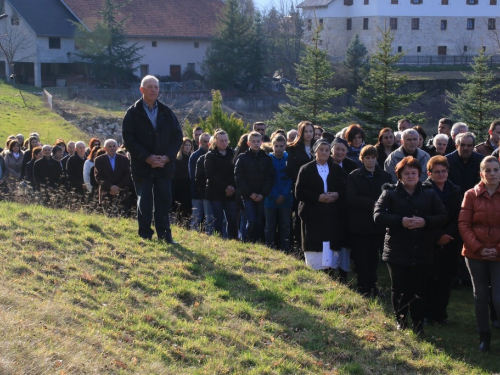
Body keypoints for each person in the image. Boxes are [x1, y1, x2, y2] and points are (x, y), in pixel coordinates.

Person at [374, 156, 447, 335]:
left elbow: (442, 216)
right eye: (407, 173)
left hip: (422, 248)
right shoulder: (389, 193)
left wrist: (425, 222)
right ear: (399, 176)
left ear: (419, 175)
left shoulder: (429, 193)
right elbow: (378, 215)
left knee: (419, 287)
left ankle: (418, 322)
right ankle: (401, 320)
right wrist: (401, 221)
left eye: (414, 173)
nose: (411, 176)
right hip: (397, 249)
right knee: (399, 287)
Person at [122, 75, 183, 243]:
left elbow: (177, 137)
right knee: (145, 202)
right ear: (142, 90)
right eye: (149, 87)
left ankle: (165, 236)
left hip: (164, 167)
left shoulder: (166, 112)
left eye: (156, 87)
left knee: (164, 202)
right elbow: (128, 140)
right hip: (142, 166)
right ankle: (145, 235)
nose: (153, 90)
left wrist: (167, 157)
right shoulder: (133, 113)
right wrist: (147, 157)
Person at [459, 156, 500, 352]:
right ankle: (484, 335)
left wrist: (497, 249)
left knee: (498, 296)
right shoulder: (471, 195)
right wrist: (479, 248)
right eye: (488, 170)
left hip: (498, 253)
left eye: (496, 170)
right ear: (481, 173)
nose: (492, 174)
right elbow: (464, 224)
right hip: (475, 253)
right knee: (480, 295)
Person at [347, 145, 392, 297]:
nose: (371, 160)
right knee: (361, 258)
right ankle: (363, 287)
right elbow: (351, 198)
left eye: (373, 157)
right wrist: (373, 204)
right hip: (360, 225)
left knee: (373, 259)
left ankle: (373, 287)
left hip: (377, 225)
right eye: (367, 158)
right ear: (362, 159)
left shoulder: (385, 176)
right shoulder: (354, 176)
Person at [295, 139, 346, 272]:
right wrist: (318, 198)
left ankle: (330, 271)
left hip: (332, 215)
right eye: (321, 150)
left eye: (327, 150)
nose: (324, 152)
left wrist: (337, 195)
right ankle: (315, 272)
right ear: (315, 151)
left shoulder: (336, 169)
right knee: (315, 247)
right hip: (313, 215)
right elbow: (299, 192)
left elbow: (345, 189)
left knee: (330, 246)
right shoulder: (306, 169)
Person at [422, 156, 462, 326]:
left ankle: (440, 314)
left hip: (450, 240)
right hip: (429, 239)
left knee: (445, 279)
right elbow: (423, 214)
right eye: (436, 172)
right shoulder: (422, 190)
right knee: (429, 278)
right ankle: (426, 314)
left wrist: (447, 235)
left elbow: (458, 216)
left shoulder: (455, 190)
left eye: (443, 171)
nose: (441, 174)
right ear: (429, 173)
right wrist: (438, 236)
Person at [234, 131, 275, 242]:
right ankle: (247, 241)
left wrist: (262, 194)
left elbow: (270, 178)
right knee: (251, 220)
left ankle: (256, 242)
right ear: (248, 143)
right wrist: (250, 194)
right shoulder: (242, 158)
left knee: (259, 221)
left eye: (258, 141)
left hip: (261, 195)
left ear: (261, 142)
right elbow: (239, 178)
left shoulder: (266, 159)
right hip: (248, 195)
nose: (256, 144)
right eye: (253, 141)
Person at [204, 130, 237, 239]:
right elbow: (210, 174)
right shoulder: (210, 155)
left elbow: (237, 172)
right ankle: (218, 241)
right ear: (215, 141)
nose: (224, 143)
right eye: (221, 141)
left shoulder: (233, 154)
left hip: (231, 192)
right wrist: (225, 187)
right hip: (215, 192)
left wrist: (231, 187)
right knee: (217, 219)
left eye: (226, 140)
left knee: (232, 219)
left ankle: (233, 241)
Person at [286, 121, 314, 245]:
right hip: (299, 188)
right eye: (306, 131)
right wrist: (302, 179)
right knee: (299, 217)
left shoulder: (317, 147)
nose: (308, 134)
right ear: (301, 133)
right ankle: (298, 244)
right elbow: (290, 168)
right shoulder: (292, 148)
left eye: (311, 131)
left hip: (315, 189)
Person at [264, 134, 292, 252]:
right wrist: (274, 195)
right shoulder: (267, 159)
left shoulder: (289, 159)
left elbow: (291, 178)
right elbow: (265, 180)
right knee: (270, 226)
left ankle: (285, 248)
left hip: (286, 199)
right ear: (272, 146)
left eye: (281, 146)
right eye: (276, 146)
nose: (279, 149)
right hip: (270, 199)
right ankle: (269, 248)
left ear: (285, 146)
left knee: (285, 225)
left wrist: (284, 194)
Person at [94, 139, 131, 214]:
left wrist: (118, 187)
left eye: (114, 146)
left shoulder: (124, 159)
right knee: (107, 215)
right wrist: (111, 187)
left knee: (122, 215)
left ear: (117, 147)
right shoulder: (99, 160)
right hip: (106, 192)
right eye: (110, 146)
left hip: (121, 192)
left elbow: (127, 175)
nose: (112, 148)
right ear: (105, 148)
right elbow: (98, 176)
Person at [189, 132, 212, 233]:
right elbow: (193, 176)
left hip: (209, 192)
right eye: (204, 141)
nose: (206, 144)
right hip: (197, 192)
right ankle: (193, 237)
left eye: (208, 141)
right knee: (196, 218)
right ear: (199, 142)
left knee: (209, 218)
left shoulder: (212, 154)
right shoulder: (195, 156)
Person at [172, 138, 193, 226]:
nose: (187, 147)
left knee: (189, 209)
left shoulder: (192, 157)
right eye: (185, 145)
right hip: (179, 187)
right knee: (180, 209)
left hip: (189, 188)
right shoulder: (177, 159)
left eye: (189, 145)